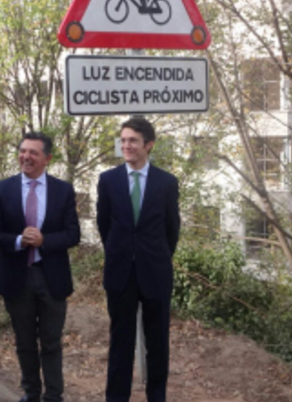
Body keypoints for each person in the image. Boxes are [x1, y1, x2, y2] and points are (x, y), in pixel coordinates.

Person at [0, 132, 81, 402]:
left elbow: (73, 234)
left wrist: (44, 241)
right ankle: (31, 393)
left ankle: (54, 396)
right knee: (25, 342)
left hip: (51, 277)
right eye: (22, 151)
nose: (26, 157)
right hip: (16, 277)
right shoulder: (2, 189)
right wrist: (18, 240)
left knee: (51, 342)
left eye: (33, 153)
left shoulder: (63, 190)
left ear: (47, 158)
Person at [96, 117, 180, 402]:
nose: (126, 145)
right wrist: (121, 253)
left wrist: (155, 257)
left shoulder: (166, 182)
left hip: (155, 272)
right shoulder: (108, 180)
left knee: (157, 344)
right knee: (120, 342)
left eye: (132, 140)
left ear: (148, 145)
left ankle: (156, 397)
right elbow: (104, 225)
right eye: (123, 140)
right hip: (120, 273)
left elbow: (172, 230)